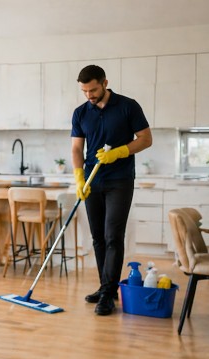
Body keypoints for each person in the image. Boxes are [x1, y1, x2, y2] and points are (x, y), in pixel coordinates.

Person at [70, 65, 153, 316]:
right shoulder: (81, 113)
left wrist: (119, 152)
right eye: (84, 91)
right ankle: (106, 286)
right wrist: (78, 177)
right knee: (97, 237)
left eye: (93, 89)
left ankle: (107, 294)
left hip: (120, 179)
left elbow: (146, 138)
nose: (89, 95)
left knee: (113, 236)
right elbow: (76, 149)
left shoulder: (128, 106)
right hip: (92, 182)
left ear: (105, 82)